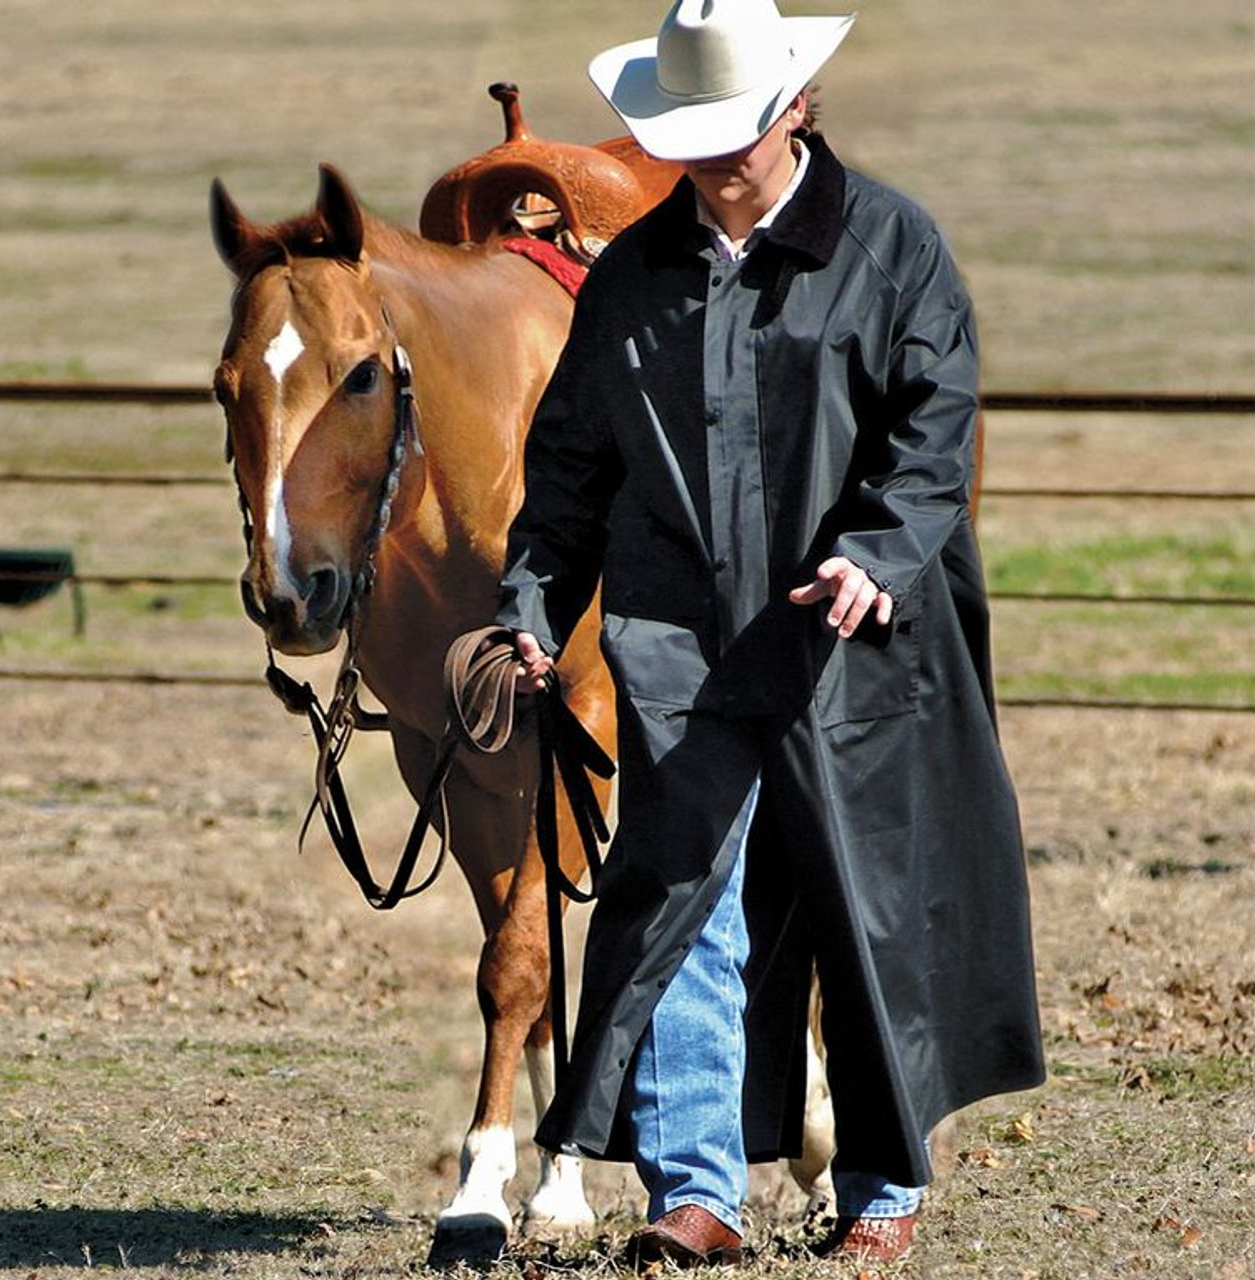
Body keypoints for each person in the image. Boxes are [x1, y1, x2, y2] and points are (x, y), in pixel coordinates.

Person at [495, 0, 1046, 1268]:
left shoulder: (892, 246)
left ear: (796, 104)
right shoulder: (632, 277)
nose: (717, 158)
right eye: (692, 138)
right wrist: (529, 604)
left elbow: (931, 428)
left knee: (867, 911)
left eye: (736, 130)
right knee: (686, 900)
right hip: (676, 638)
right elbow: (570, 465)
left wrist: (875, 553)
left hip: (850, 644)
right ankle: (695, 1192)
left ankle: (879, 1187)